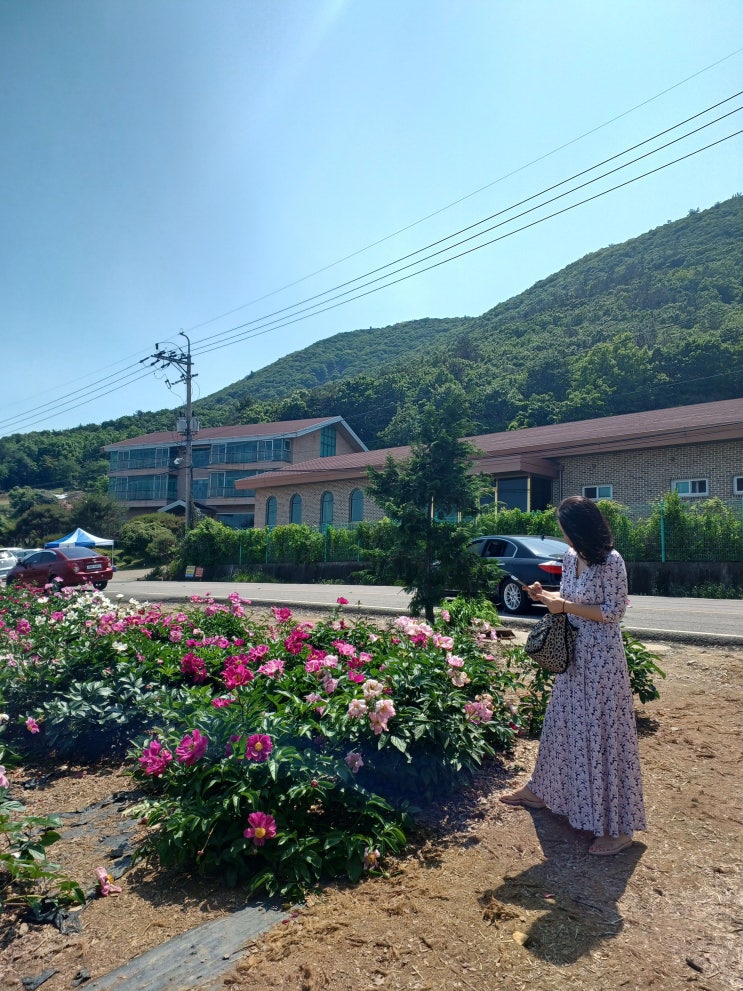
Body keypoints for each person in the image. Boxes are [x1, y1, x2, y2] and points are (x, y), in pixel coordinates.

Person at [500, 495, 646, 856]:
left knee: (601, 733)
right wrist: (544, 595)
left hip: (602, 662)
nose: (562, 534)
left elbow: (613, 612)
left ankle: (616, 827)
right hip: (574, 654)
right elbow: (568, 599)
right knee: (562, 724)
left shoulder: (611, 561)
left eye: (565, 528)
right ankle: (541, 791)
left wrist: (563, 604)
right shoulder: (569, 557)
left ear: (581, 528)